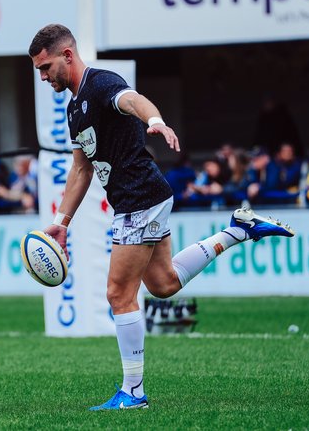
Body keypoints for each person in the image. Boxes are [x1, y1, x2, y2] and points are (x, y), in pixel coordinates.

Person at [28, 24, 295, 411]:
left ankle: (133, 393)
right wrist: (62, 221)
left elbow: (133, 100)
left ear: (67, 55)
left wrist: (154, 120)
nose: (43, 76)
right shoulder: (73, 109)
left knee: (118, 294)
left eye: (45, 66)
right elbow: (82, 169)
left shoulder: (101, 84)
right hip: (140, 198)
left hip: (139, 197)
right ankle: (238, 231)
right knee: (164, 283)